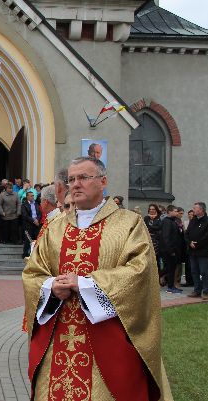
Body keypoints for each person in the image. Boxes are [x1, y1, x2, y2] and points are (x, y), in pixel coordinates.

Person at [22, 156, 173, 400]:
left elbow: (140, 272)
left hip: (106, 341)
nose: (76, 184)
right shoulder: (55, 228)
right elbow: (33, 272)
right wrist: (51, 286)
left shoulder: (128, 224)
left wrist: (83, 284)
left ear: (103, 182)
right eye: (71, 179)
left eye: (83, 177)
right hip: (59, 338)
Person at [186, 202, 208, 300]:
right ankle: (197, 290)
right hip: (192, 251)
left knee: (204, 272)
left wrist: (197, 244)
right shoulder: (193, 220)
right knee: (194, 271)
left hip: (203, 251)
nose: (193, 210)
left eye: (195, 208)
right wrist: (190, 242)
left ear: (201, 210)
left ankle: (206, 291)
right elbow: (187, 233)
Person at [160, 205, 185, 294]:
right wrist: (170, 251)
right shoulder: (167, 222)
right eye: (175, 211)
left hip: (175, 249)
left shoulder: (173, 221)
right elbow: (166, 237)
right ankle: (170, 287)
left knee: (172, 269)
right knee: (170, 269)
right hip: (169, 251)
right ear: (169, 212)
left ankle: (171, 285)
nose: (176, 212)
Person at [145, 204, 163, 284]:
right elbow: (144, 227)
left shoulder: (159, 219)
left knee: (156, 261)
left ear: (156, 210)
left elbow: (159, 228)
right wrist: (151, 227)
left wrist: (150, 227)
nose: (151, 210)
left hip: (157, 242)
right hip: (148, 241)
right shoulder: (146, 218)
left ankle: (157, 279)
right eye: (150, 209)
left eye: (153, 209)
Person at [22, 191, 42, 257]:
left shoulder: (36, 203)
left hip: (36, 224)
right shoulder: (24, 204)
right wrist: (34, 220)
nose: (32, 197)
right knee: (28, 240)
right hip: (28, 224)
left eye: (33, 195)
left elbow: (39, 213)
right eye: (31, 196)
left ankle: (36, 254)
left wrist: (37, 219)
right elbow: (25, 215)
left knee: (37, 239)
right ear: (27, 197)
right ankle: (26, 254)